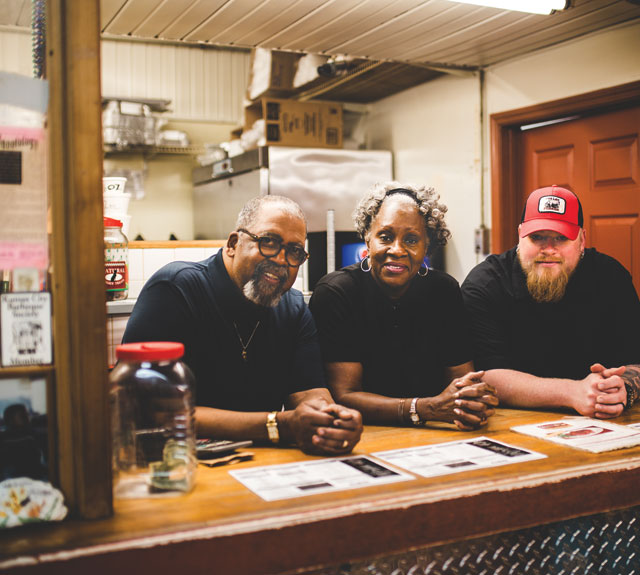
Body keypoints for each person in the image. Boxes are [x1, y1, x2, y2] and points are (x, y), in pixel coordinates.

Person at [123, 196, 362, 455]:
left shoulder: (293, 308)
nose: (282, 260)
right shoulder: (175, 289)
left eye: (295, 251)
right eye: (268, 242)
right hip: (175, 462)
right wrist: (278, 426)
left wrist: (332, 419)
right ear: (233, 244)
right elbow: (153, 411)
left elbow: (308, 393)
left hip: (258, 462)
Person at [310, 183, 498, 429]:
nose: (397, 250)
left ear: (427, 245)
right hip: (363, 433)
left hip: (437, 431)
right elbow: (344, 396)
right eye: (385, 237)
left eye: (411, 239)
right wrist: (424, 408)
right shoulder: (337, 293)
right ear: (367, 237)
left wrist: (472, 401)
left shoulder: (443, 291)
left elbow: (462, 381)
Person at [461, 185, 640, 419]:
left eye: (561, 238)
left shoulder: (610, 276)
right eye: (537, 237)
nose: (549, 249)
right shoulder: (485, 284)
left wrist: (622, 390)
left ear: (582, 240)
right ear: (520, 234)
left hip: (599, 421)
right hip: (507, 421)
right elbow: (486, 375)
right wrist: (573, 393)